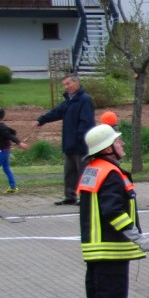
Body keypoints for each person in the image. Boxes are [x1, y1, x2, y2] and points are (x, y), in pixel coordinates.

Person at [78, 123, 148, 298]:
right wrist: (135, 236)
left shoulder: (94, 169)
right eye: (118, 141)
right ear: (107, 148)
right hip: (110, 251)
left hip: (97, 250)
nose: (122, 143)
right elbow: (112, 211)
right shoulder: (110, 173)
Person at [36, 73, 95, 205]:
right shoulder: (68, 101)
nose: (66, 87)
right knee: (69, 172)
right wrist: (41, 120)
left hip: (81, 144)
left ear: (76, 82)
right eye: (64, 85)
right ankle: (70, 196)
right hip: (69, 143)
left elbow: (86, 122)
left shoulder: (85, 99)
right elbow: (57, 112)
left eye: (68, 83)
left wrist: (81, 137)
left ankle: (86, 198)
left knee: (83, 172)